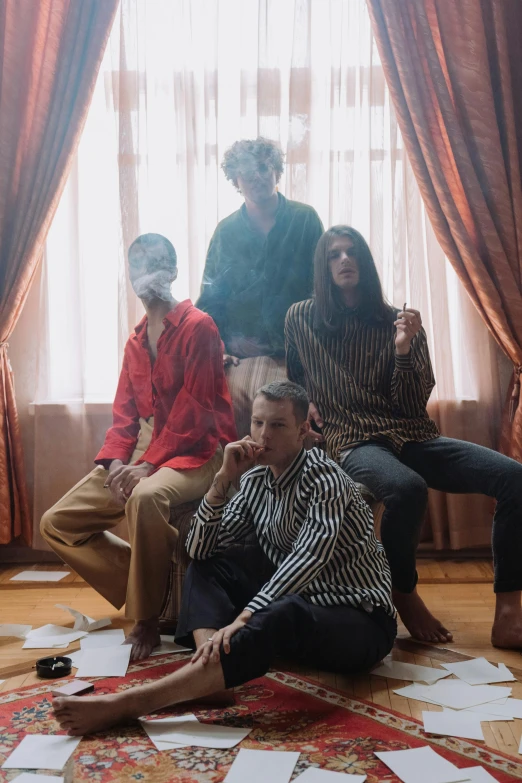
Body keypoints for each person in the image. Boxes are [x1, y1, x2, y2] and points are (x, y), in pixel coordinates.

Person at [52, 380, 396, 736]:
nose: (264, 436)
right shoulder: (255, 481)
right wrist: (221, 479)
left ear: (303, 430)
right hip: (302, 618)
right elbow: (199, 550)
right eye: (258, 423)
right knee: (209, 566)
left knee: (281, 609)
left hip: (361, 623)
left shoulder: (326, 480)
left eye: (277, 425)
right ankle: (211, 673)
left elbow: (307, 559)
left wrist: (246, 615)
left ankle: (130, 704)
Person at [285, 225, 522, 648]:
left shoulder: (401, 323)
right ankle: (404, 592)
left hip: (412, 434)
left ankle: (508, 613)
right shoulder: (301, 318)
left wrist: (402, 348)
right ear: (323, 267)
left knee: (514, 478)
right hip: (354, 439)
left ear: (365, 262)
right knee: (407, 488)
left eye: (352, 251)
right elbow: (296, 373)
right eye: (334, 254)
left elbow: (411, 407)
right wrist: (307, 404)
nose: (344, 259)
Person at [41, 233, 237, 661]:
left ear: (173, 271)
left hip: (199, 448)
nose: (147, 272)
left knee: (146, 498)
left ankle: (145, 617)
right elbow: (125, 416)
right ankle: (149, 581)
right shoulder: (133, 341)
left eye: (158, 262)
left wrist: (146, 466)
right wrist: (114, 464)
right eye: (139, 264)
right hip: (143, 448)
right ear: (130, 276)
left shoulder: (199, 326)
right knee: (56, 523)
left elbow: (196, 412)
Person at [196, 137, 323, 365]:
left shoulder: (305, 219)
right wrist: (218, 349)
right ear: (236, 179)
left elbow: (322, 288)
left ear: (277, 171)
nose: (256, 177)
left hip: (301, 351)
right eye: (246, 171)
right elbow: (211, 300)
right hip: (242, 355)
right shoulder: (226, 232)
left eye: (263, 167)